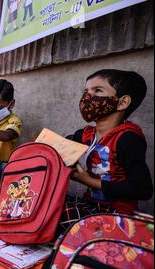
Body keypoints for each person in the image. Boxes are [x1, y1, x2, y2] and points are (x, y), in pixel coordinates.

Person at [58, 69, 153, 233]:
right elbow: (56, 147)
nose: (87, 98)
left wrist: (88, 181)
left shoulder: (128, 139)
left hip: (117, 214)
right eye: (86, 91)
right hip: (90, 205)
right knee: (51, 206)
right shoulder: (85, 134)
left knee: (65, 222)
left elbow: (143, 189)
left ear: (122, 102)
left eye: (98, 90)